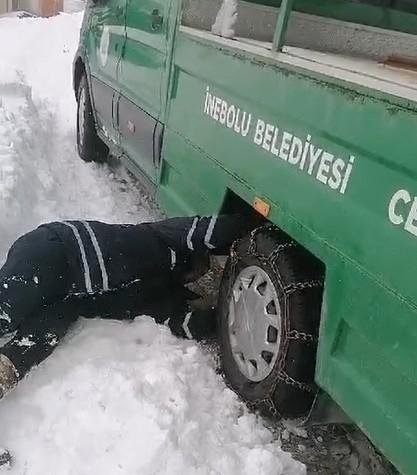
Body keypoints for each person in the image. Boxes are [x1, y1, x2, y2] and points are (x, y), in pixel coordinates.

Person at [0, 215, 254, 403]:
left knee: (42, 333)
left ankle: (5, 369)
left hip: (68, 298)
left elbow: (180, 321)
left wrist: (225, 320)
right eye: (203, 269)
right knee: (9, 304)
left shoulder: (154, 294)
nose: (200, 275)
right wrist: (254, 228)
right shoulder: (159, 235)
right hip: (57, 249)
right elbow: (209, 230)